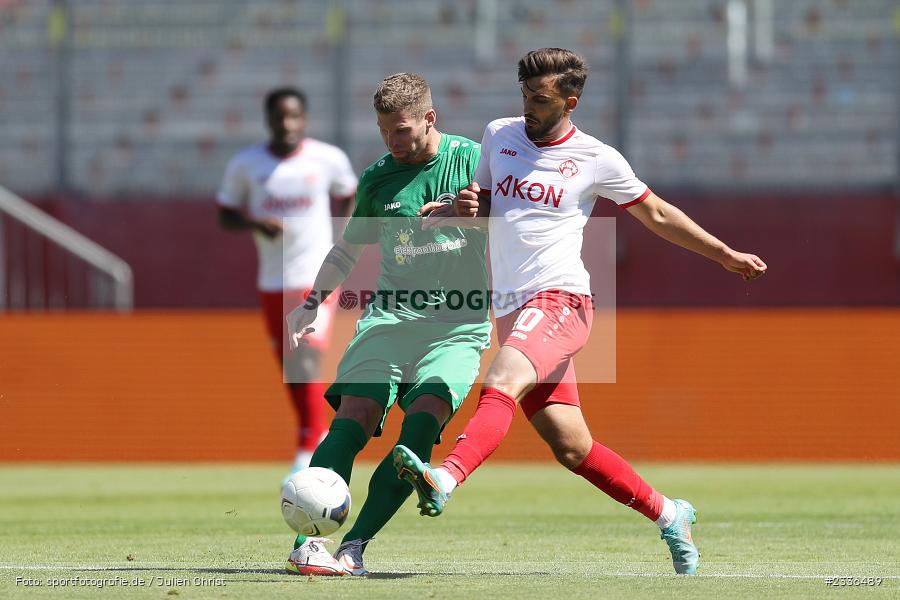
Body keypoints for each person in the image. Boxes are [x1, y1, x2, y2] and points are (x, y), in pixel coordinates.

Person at [392, 48, 768, 576]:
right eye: (524, 94)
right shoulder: (499, 134)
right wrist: (459, 208)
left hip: (561, 300)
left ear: (570, 101)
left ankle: (445, 478)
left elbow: (657, 213)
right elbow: (487, 207)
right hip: (512, 308)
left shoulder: (597, 158)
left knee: (500, 379)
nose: (528, 107)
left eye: (540, 99)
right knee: (571, 445)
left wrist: (724, 254)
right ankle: (670, 513)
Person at [283, 73, 491, 576]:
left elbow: (515, 214)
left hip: (459, 322)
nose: (393, 143)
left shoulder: (473, 159)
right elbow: (348, 247)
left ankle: (353, 546)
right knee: (353, 415)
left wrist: (479, 212)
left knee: (421, 425)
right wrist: (312, 300)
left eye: (402, 131)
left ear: (429, 119)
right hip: (391, 317)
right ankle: (308, 544)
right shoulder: (378, 178)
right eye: (384, 132)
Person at [217, 87, 357, 479]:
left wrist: (340, 237)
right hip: (272, 280)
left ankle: (309, 449)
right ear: (269, 120)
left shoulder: (326, 158)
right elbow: (225, 214)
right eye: (279, 117)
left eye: (294, 116)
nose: (287, 124)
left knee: (307, 357)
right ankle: (315, 432)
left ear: (305, 119)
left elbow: (349, 191)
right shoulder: (247, 164)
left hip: (317, 274)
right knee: (291, 367)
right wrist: (252, 221)